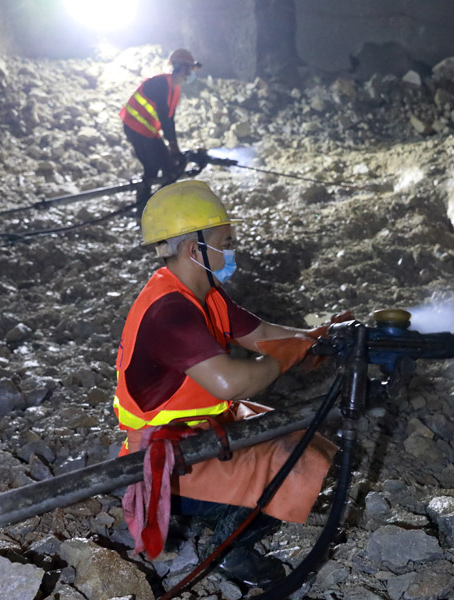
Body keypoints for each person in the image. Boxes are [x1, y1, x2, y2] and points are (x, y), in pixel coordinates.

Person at [113, 180, 337, 588]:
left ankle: (222, 512)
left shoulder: (204, 293)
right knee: (297, 460)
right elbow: (231, 383)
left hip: (198, 435)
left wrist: (314, 339)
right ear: (194, 249)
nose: (231, 250)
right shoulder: (170, 312)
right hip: (166, 461)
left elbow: (263, 332)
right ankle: (227, 551)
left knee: (304, 439)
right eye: (225, 241)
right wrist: (285, 357)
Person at [120, 48, 201, 212]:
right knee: (151, 166)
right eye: (190, 69)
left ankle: (162, 205)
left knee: (169, 166)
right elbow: (164, 116)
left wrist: (174, 146)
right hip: (134, 126)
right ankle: (142, 208)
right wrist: (172, 145)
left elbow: (170, 119)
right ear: (180, 67)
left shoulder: (175, 90)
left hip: (149, 131)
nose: (191, 73)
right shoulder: (160, 83)